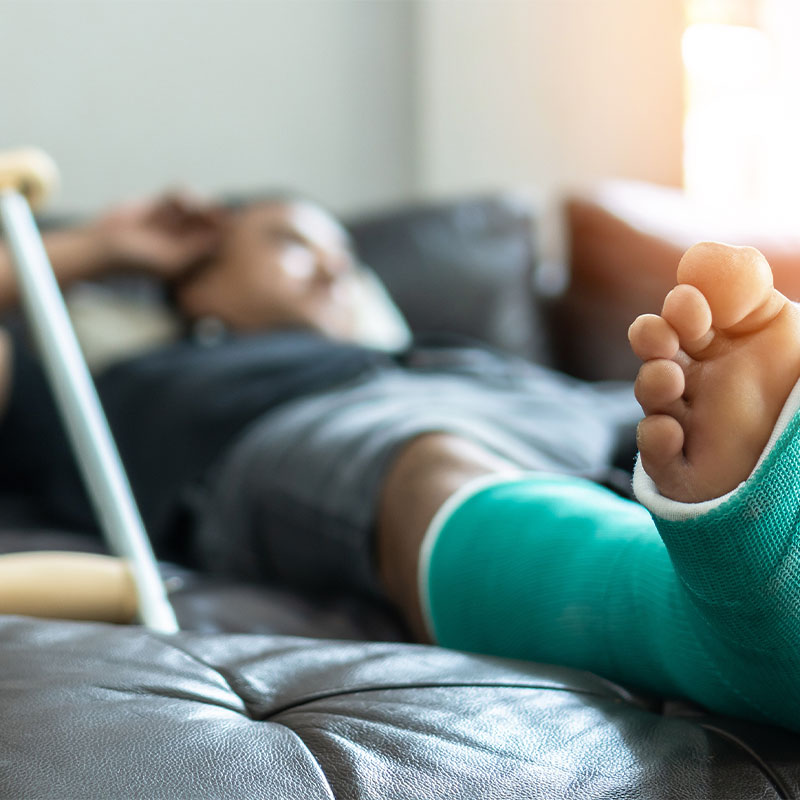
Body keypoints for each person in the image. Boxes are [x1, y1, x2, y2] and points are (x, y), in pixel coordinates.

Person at [0, 193, 799, 735]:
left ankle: (753, 507)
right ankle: (743, 614)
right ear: (198, 290)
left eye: (342, 251)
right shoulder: (115, 387)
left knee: (691, 428)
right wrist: (97, 248)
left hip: (541, 400)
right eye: (290, 244)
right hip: (327, 426)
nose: (334, 266)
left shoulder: (437, 349)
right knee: (428, 461)